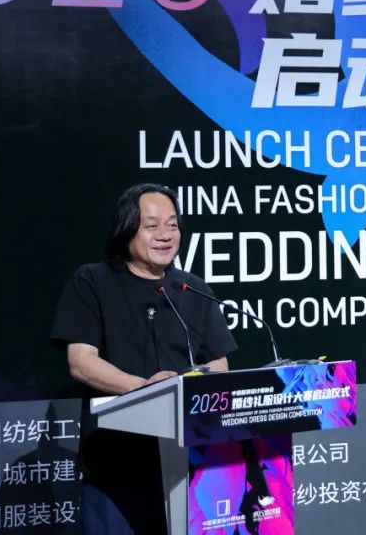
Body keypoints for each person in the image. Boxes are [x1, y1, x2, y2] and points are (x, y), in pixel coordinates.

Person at [50, 183, 237, 534]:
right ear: (126, 230)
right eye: (152, 226)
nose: (165, 235)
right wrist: (146, 389)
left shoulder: (193, 289)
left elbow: (218, 364)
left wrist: (189, 385)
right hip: (116, 468)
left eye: (172, 225)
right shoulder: (92, 281)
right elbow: (81, 362)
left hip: (188, 468)